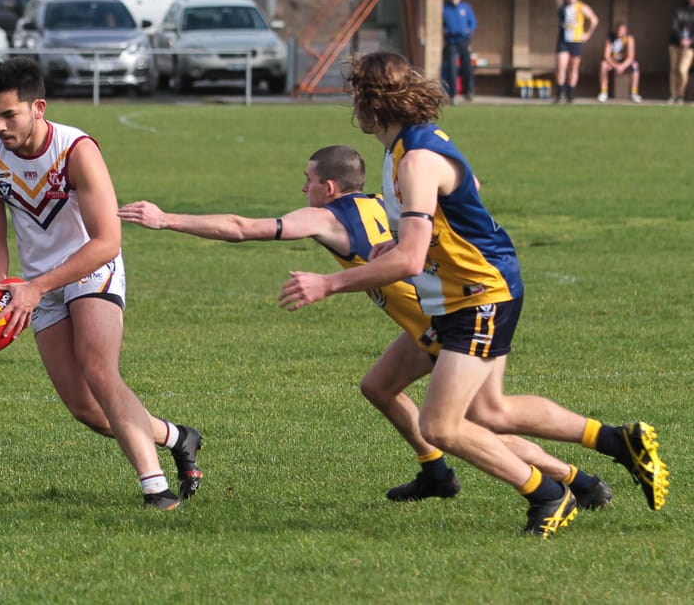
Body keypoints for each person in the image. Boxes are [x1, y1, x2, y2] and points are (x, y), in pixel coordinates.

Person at [278, 51, 669, 538]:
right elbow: (468, 189)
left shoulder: (415, 159)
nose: (352, 102)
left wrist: (329, 282)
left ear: (372, 102)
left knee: (442, 426)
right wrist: (401, 235)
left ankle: (549, 494)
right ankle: (618, 442)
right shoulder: (409, 147)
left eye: (356, 92)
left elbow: (410, 263)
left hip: (479, 292)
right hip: (465, 290)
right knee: (489, 411)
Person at [120, 145, 611, 509]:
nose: (304, 189)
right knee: (378, 386)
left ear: (327, 188)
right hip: (437, 316)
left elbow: (242, 227)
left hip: (444, 326)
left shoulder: (326, 217)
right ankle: (435, 472)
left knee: (472, 423)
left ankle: (577, 481)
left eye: (307, 180)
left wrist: (167, 220)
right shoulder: (386, 203)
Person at [0, 56, 202, 510]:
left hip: (91, 268)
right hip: (39, 284)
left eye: (9, 114)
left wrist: (35, 288)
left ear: (38, 107)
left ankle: (155, 487)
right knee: (86, 409)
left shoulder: (77, 151)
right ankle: (178, 437)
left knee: (98, 369)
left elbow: (107, 242)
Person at [553, 0, 598, 104]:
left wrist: (587, 34)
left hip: (576, 41)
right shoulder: (563, 6)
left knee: (573, 67)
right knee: (561, 65)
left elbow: (594, 20)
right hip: (564, 40)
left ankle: (570, 94)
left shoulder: (581, 7)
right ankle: (559, 94)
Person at [441, 0, 477, 105]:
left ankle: (469, 92)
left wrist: (469, 31)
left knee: (467, 66)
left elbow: (473, 23)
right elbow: (440, 23)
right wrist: (444, 30)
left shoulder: (465, 8)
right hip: (451, 41)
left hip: (463, 41)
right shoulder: (445, 8)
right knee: (452, 67)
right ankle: (452, 95)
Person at [597, 22, 641, 103]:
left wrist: (622, 66)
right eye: (618, 30)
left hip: (625, 62)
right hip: (613, 61)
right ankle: (604, 92)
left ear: (625, 31)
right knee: (603, 65)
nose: (619, 32)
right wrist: (615, 65)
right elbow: (606, 56)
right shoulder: (610, 38)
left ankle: (634, 93)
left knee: (635, 65)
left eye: (622, 30)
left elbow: (631, 57)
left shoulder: (629, 39)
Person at [667, 0, 694, 104]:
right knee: (673, 70)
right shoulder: (680, 10)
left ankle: (680, 95)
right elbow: (674, 26)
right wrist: (681, 39)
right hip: (675, 44)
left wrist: (690, 41)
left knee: (682, 70)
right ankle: (673, 95)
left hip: (690, 47)